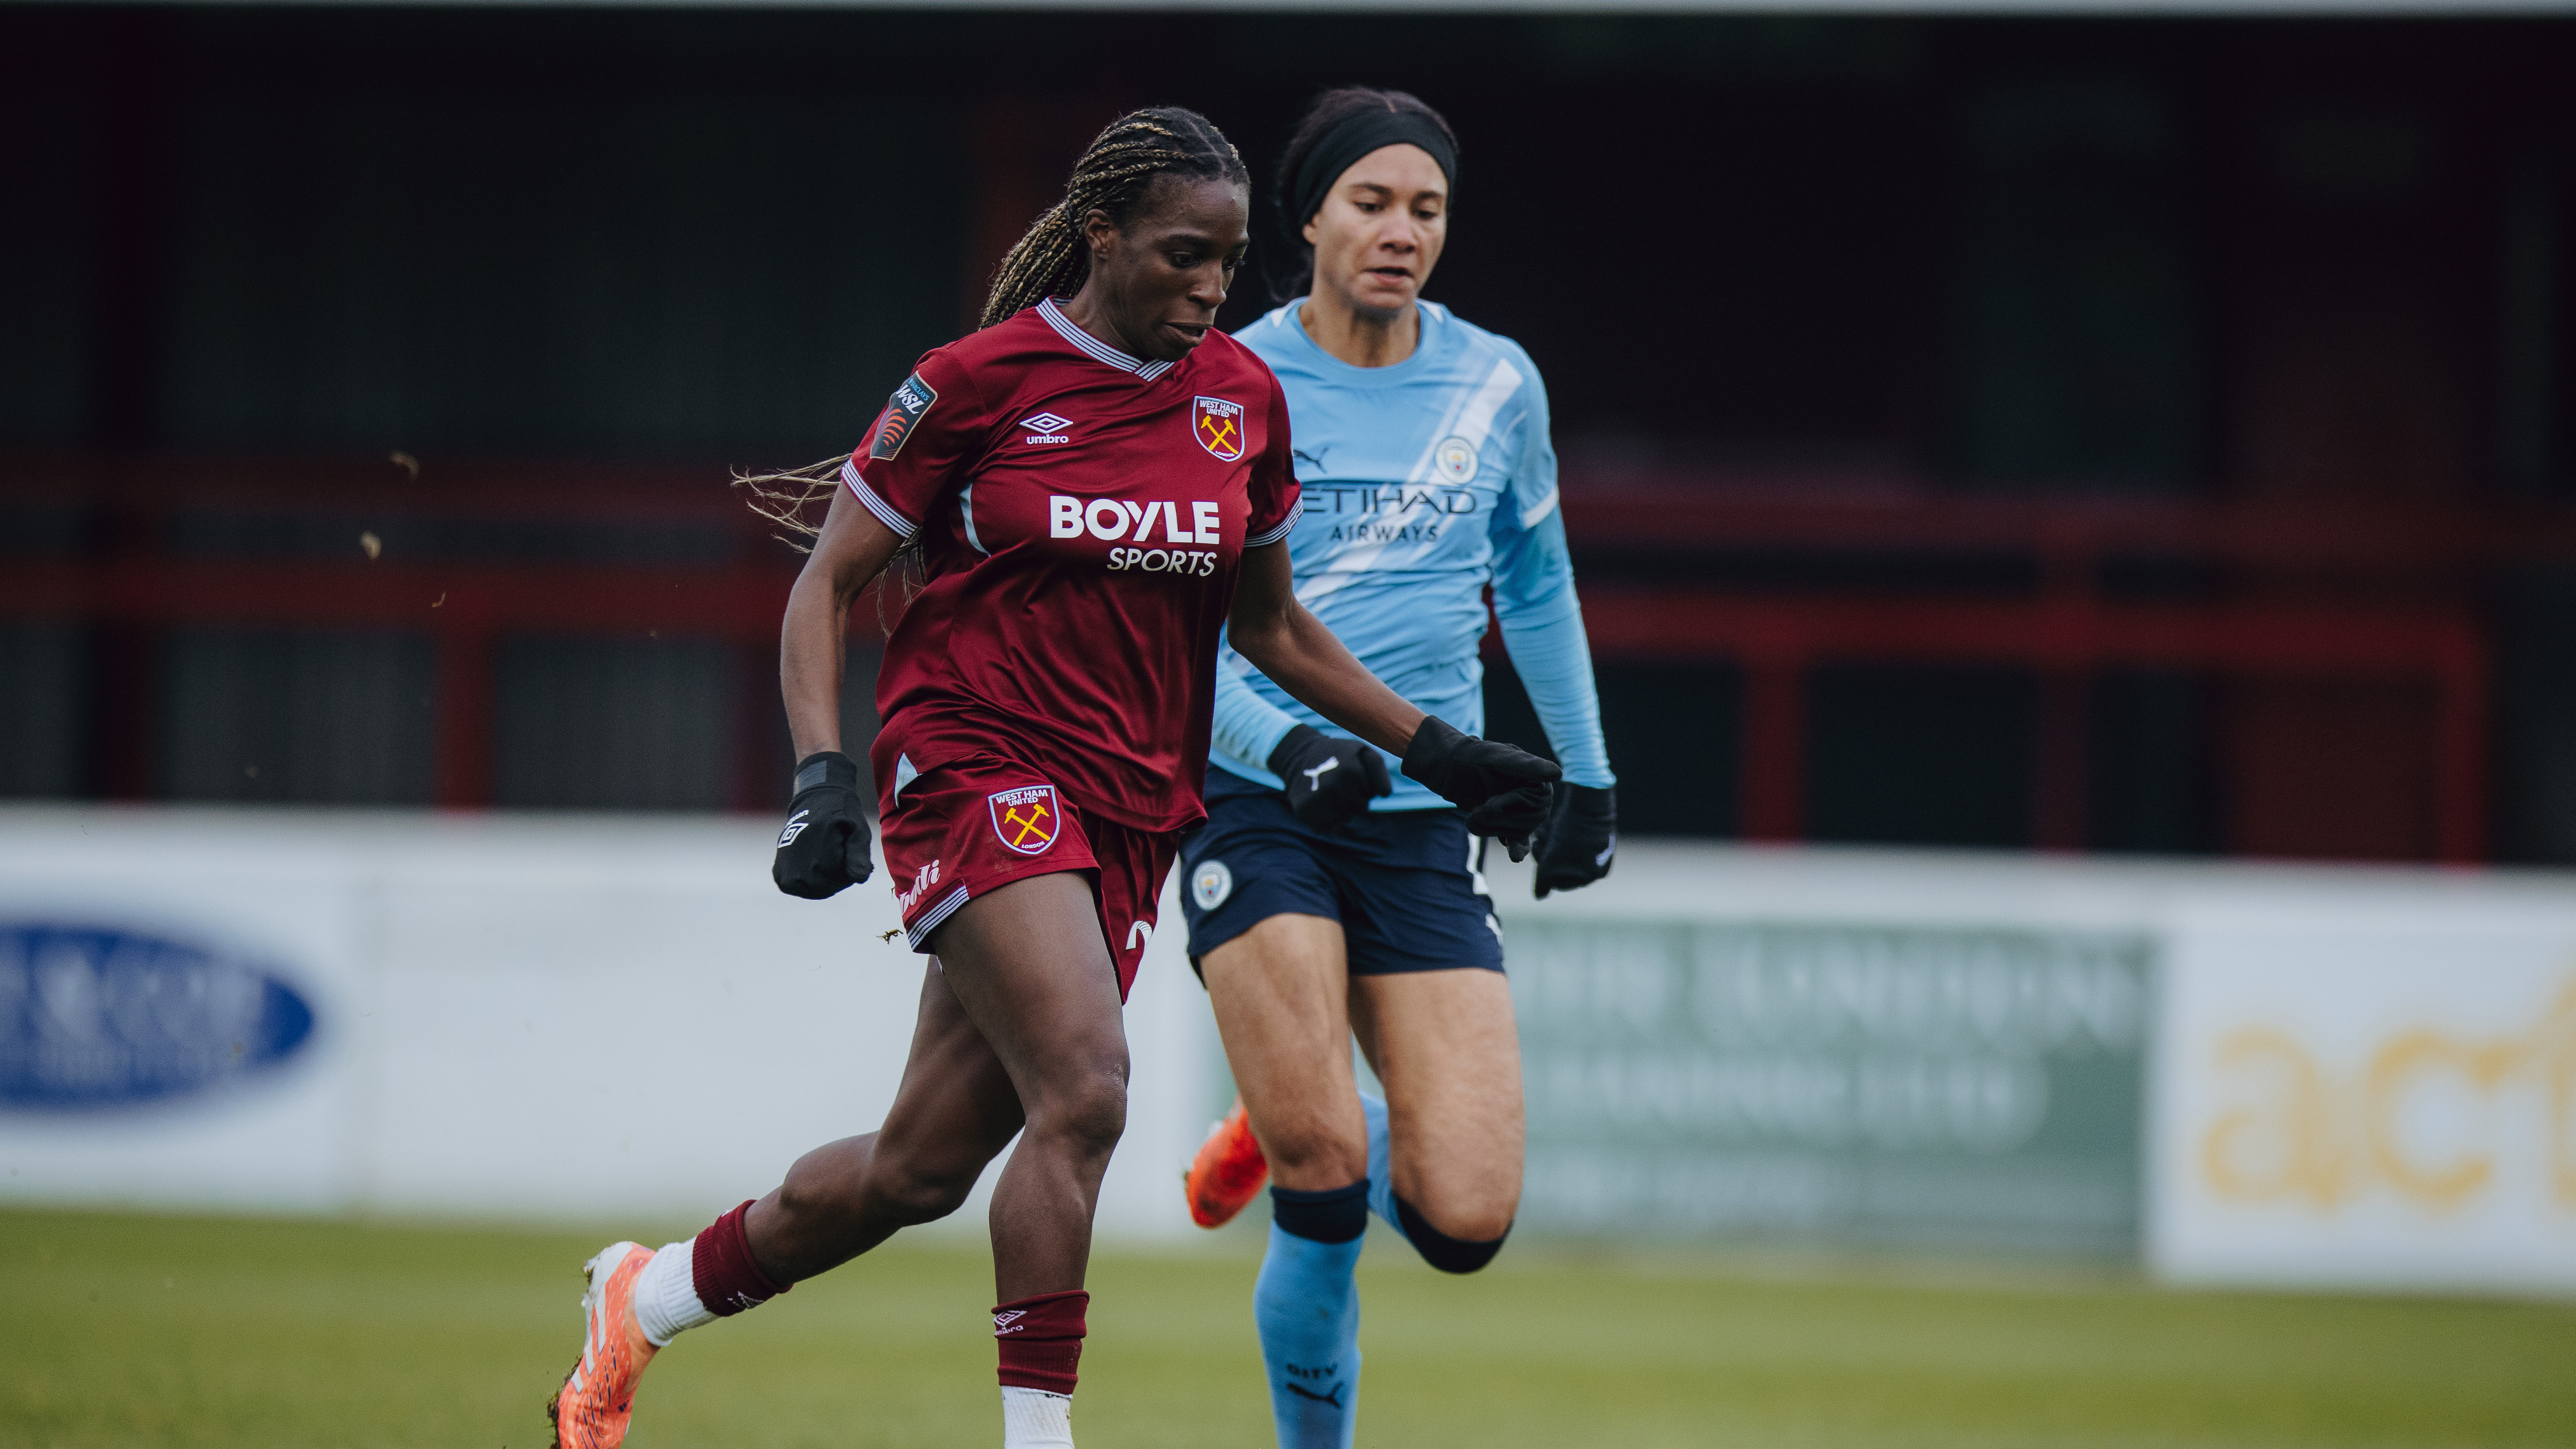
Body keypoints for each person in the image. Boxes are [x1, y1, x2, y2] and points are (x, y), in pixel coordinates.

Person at [541, 106, 1560, 1449]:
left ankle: (646, 1294)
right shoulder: (973, 381)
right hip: (971, 763)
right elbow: (826, 582)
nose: (1209, 289)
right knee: (1087, 1087)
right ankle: (1039, 1440)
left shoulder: (1238, 402)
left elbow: (1270, 631)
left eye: (1228, 260)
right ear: (1101, 235)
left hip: (1133, 802)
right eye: (1182, 256)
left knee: (916, 1169)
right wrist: (823, 776)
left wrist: (1438, 749)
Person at [1174, 87, 1618, 1449]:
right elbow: (1177, 632)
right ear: (1306, 215)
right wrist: (1290, 744)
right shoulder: (1223, 382)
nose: (1399, 230)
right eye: (1369, 201)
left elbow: (1535, 584)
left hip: (1421, 822)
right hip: (1256, 802)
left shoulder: (1497, 382)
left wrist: (1585, 777)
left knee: (1464, 1218)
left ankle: (1302, 1110)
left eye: (1424, 208)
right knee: (1323, 1183)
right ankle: (1306, 1138)